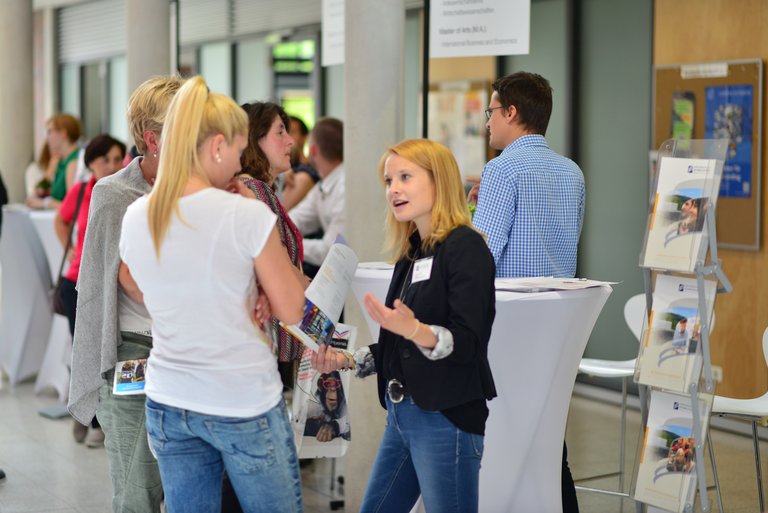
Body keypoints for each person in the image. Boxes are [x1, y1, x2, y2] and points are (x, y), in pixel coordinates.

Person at [118, 75, 306, 513]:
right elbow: (294, 308)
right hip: (242, 399)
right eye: (240, 150)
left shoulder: (137, 215)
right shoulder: (244, 214)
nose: (242, 161)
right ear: (217, 145)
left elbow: (138, 282)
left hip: (168, 400)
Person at [313, 138, 497, 513]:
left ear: (438, 180)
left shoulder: (466, 247)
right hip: (402, 416)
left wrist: (415, 330)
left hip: (445, 417)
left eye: (405, 177)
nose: (393, 189)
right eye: (388, 180)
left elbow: (468, 341)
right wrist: (345, 360)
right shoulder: (414, 251)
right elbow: (400, 348)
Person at [470, 71, 585, 513]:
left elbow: (482, 254)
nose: (487, 123)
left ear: (511, 112)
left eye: (492, 111)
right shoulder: (571, 172)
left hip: (509, 323)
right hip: (558, 322)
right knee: (548, 430)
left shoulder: (501, 169)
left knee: (507, 430)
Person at [68, 75, 184, 513]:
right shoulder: (114, 194)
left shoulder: (204, 189)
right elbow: (124, 280)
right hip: (137, 350)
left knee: (190, 493)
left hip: (193, 353)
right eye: (184, 127)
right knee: (137, 493)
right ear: (152, 139)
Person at [55, 134, 125, 447]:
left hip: (111, 282)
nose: (111, 165)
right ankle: (88, 415)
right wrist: (69, 249)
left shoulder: (123, 192)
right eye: (105, 159)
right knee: (83, 348)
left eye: (116, 159)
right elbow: (61, 220)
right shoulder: (82, 190)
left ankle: (100, 419)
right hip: (77, 280)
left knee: (107, 349)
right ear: (92, 162)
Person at [238, 102, 308, 367]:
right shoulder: (254, 190)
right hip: (268, 338)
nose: (290, 141)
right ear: (255, 140)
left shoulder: (256, 190)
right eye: (280, 132)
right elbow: (278, 268)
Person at [288, 117, 344, 270]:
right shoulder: (324, 185)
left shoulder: (345, 187)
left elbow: (330, 251)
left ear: (313, 150)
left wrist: (286, 242)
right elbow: (293, 220)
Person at [27, 113, 82, 209]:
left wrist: (44, 203)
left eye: (49, 132)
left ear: (63, 133)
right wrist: (50, 171)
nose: (47, 138)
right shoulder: (60, 161)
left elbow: (72, 207)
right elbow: (40, 190)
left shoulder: (74, 162)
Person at [280, 116, 319, 210]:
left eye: (292, 132)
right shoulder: (283, 170)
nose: (286, 137)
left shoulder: (307, 173)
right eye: (281, 133)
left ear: (305, 137)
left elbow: (278, 212)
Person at [304, 371, 350, 442]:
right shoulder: (317, 405)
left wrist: (336, 426)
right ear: (321, 388)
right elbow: (296, 420)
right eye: (328, 384)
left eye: (337, 385)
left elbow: (354, 419)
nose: (333, 389)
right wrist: (311, 422)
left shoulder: (349, 402)